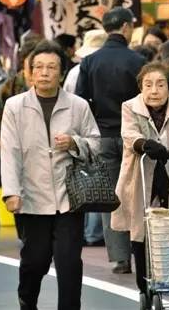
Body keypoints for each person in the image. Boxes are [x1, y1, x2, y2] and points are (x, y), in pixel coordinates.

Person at [0, 40, 100, 310]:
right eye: (39, 67)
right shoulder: (15, 106)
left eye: (51, 67)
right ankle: (27, 300)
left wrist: (74, 143)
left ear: (61, 72)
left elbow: (96, 143)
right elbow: (9, 151)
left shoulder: (78, 106)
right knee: (35, 260)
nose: (44, 72)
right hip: (31, 198)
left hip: (69, 198)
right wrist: (11, 192)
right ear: (29, 72)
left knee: (69, 263)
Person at [111, 62, 169, 307]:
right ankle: (147, 286)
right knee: (142, 233)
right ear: (141, 87)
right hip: (142, 177)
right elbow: (129, 135)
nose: (154, 90)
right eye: (148, 84)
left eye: (160, 84)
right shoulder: (130, 107)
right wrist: (145, 144)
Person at [76, 7, 146, 274]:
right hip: (134, 137)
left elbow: (82, 101)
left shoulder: (89, 62)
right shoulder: (137, 60)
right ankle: (140, 250)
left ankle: (120, 258)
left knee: (111, 198)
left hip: (103, 135)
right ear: (126, 27)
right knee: (138, 193)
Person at [63, 29, 108, 247]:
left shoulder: (73, 73)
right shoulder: (100, 68)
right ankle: (94, 231)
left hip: (78, 134)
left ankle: (87, 231)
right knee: (100, 181)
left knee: (83, 180)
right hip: (99, 132)